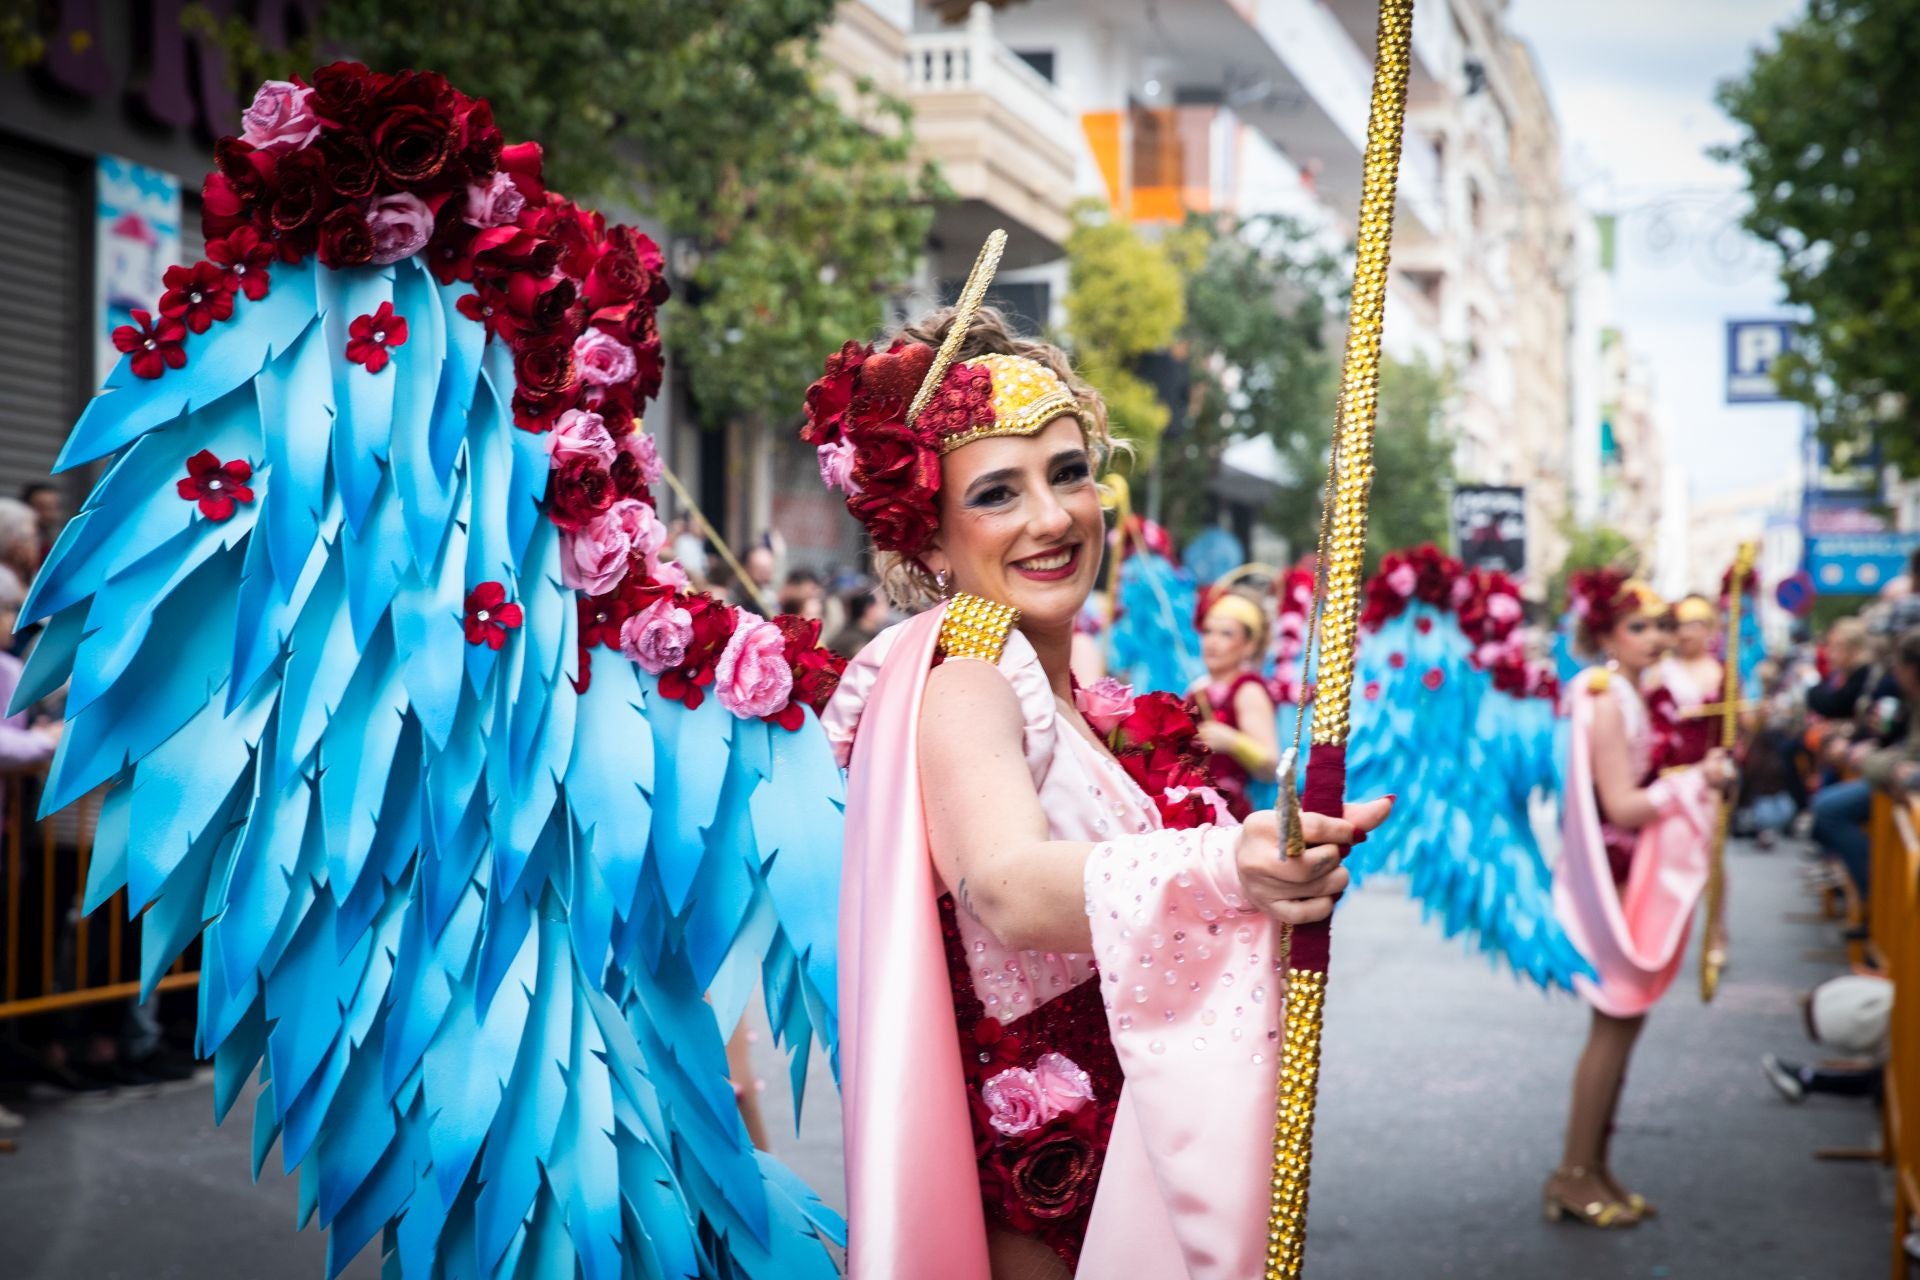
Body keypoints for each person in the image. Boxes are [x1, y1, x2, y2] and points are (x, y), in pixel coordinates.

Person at [809, 265, 1386, 1279]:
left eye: (1068, 472)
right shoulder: (970, 663)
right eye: (997, 491)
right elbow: (1005, 884)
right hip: (1041, 1175)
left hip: (1122, 1134)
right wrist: (1227, 866)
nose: (1053, 516)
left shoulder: (1062, 680)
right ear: (929, 534)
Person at [1548, 571, 1735, 1228]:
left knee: (1626, 1026)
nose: (1655, 637)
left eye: (1660, 625)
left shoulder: (1633, 691)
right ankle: (1572, 1174)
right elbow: (1623, 804)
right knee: (1614, 1024)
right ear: (1604, 634)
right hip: (1616, 880)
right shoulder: (1603, 698)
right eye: (1639, 626)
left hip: (1636, 873)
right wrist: (1692, 782)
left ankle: (1593, 1168)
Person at [1185, 590, 1280, 819]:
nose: (1212, 642)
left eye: (1226, 634)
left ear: (1248, 645)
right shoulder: (1197, 690)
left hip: (1234, 815)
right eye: (1207, 632)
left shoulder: (1248, 690)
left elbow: (1270, 764)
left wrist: (1232, 741)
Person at [828, 589, 889, 659]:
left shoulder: (869, 635)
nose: (886, 608)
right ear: (869, 609)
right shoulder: (856, 643)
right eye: (882, 603)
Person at [19, 482, 64, 566]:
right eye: (41, 508)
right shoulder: (15, 547)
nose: (49, 514)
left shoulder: (48, 544)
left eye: (52, 508)